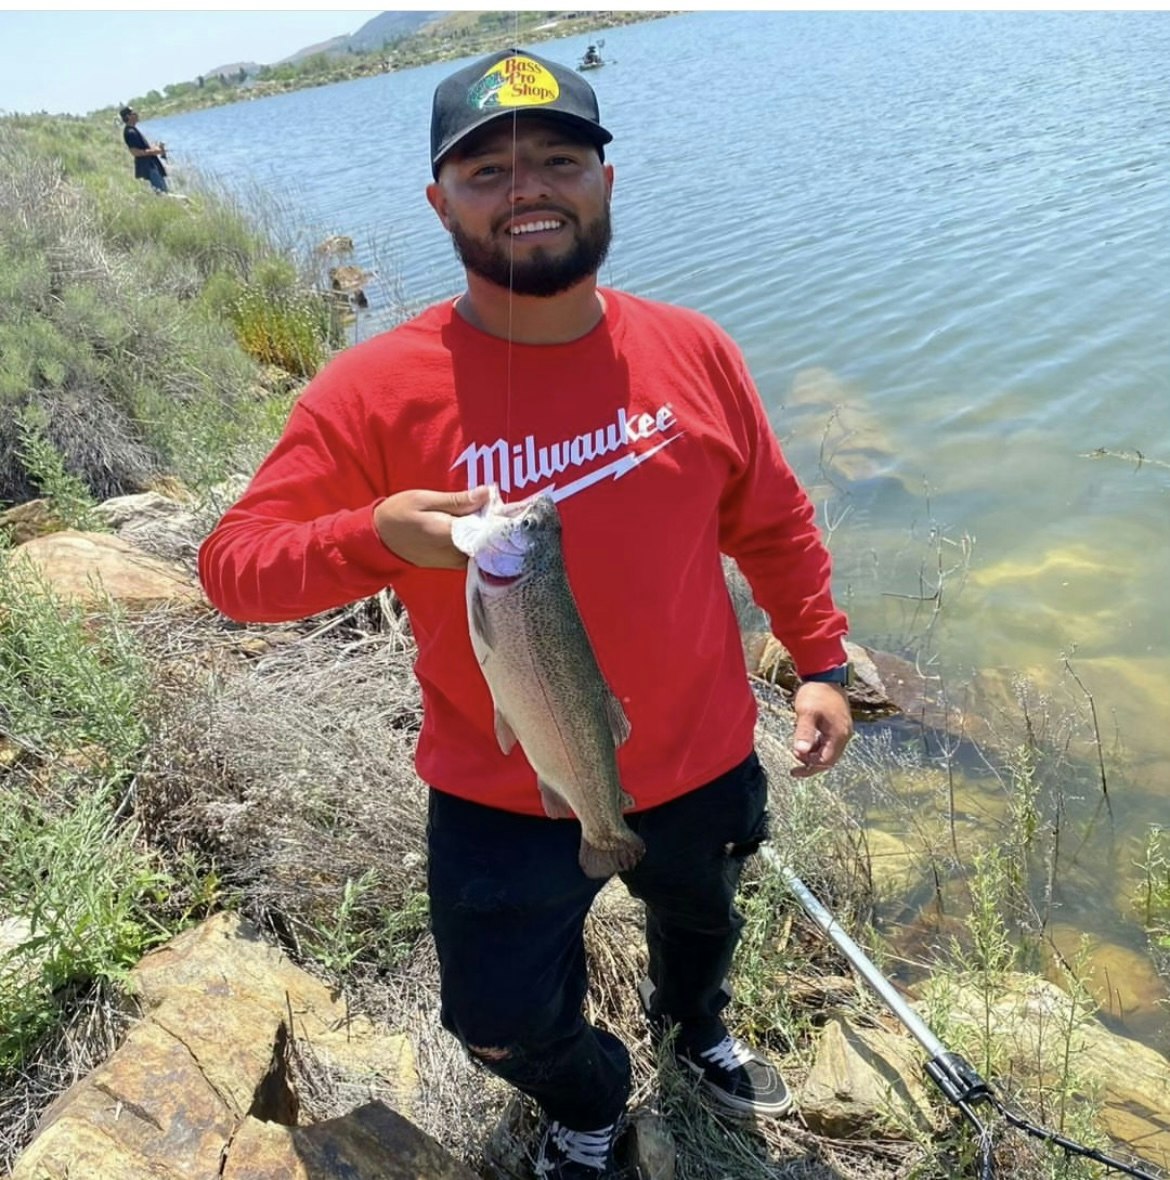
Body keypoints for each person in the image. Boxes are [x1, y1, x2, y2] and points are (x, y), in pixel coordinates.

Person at [198, 47, 854, 1179]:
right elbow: (231, 567)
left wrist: (822, 661)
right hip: (500, 789)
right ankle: (591, 1099)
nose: (528, 189)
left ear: (606, 180)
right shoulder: (371, 390)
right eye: (488, 171)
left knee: (702, 921)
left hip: (700, 756)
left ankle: (693, 1029)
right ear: (438, 200)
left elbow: (775, 520)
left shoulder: (695, 348)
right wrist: (373, 537)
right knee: (495, 1016)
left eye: (558, 159)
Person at [119, 106, 168, 193]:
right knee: (161, 193)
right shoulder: (130, 132)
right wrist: (155, 151)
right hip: (148, 166)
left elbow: (143, 148)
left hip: (152, 164)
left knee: (163, 191)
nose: (136, 114)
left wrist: (155, 148)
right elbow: (135, 152)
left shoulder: (133, 130)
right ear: (128, 117)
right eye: (133, 113)